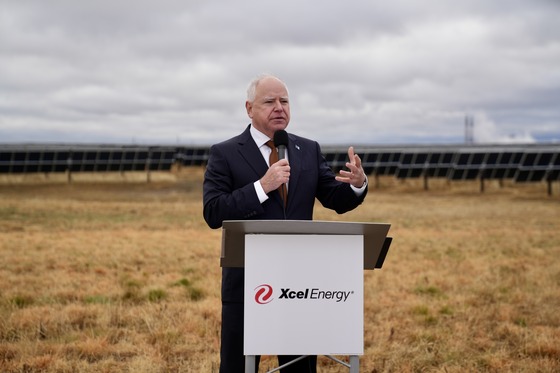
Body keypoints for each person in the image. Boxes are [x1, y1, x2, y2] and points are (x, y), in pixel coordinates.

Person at [203, 74, 368, 373]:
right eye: (269, 101)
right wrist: (261, 187)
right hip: (247, 282)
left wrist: (357, 184)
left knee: (299, 367)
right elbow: (214, 212)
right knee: (237, 366)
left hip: (299, 282)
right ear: (249, 108)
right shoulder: (224, 153)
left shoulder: (308, 149)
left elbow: (335, 198)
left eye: (285, 101)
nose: (279, 107)